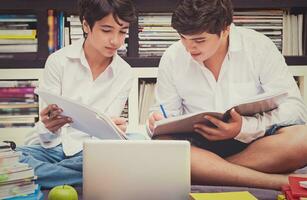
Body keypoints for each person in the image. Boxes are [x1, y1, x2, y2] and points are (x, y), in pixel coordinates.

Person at [148, 0, 307, 190]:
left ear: (225, 29)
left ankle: (209, 171)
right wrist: (157, 121)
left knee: (302, 138)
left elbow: (295, 109)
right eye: (183, 38)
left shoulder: (258, 47)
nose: (190, 48)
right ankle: (275, 181)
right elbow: (166, 112)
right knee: (164, 147)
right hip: (199, 144)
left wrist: (243, 127)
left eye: (200, 40)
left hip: (254, 143)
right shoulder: (173, 56)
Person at [17, 0, 137, 188]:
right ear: (86, 26)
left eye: (122, 32)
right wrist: (48, 127)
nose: (116, 40)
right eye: (106, 30)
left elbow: (104, 137)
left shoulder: (125, 72)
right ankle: (86, 178)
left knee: (132, 150)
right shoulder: (58, 61)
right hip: (52, 147)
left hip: (90, 152)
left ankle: (49, 175)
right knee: (11, 158)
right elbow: (46, 134)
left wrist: (113, 130)